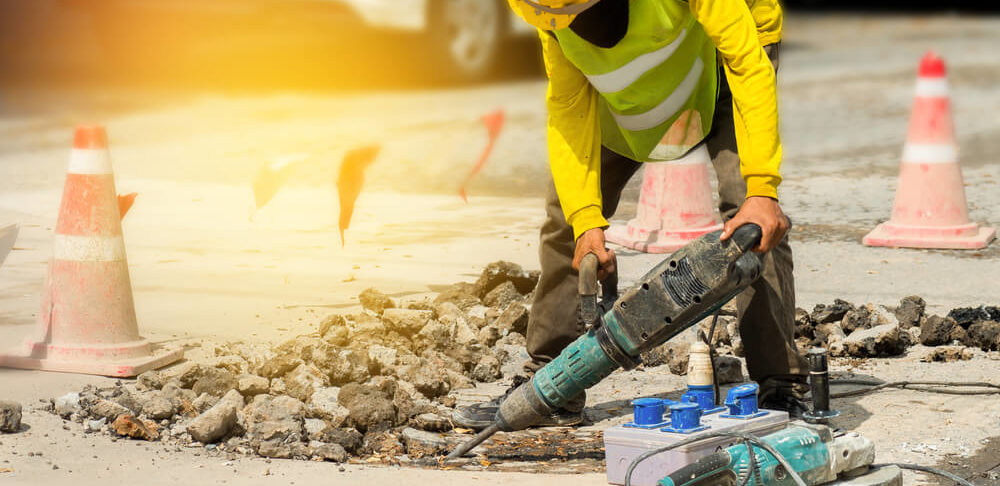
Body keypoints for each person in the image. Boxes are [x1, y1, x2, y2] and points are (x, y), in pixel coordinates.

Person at [454, 0, 809, 429]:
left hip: (725, 59)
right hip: (642, 73)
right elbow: (569, 106)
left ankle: (779, 385)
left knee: (752, 220)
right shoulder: (545, 12)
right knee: (568, 215)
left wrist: (762, 189)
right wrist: (587, 222)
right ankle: (552, 380)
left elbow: (746, 62)